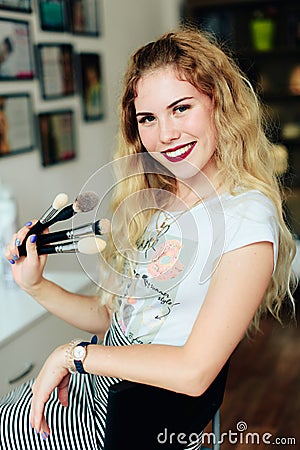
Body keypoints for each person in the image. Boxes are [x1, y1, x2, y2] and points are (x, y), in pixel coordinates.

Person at [2, 27, 297, 450]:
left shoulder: (246, 217)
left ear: (220, 104)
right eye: (148, 118)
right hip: (101, 388)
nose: (165, 135)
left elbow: (194, 373)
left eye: (181, 108)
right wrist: (35, 285)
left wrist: (75, 355)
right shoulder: (160, 201)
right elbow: (115, 319)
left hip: (130, 415)